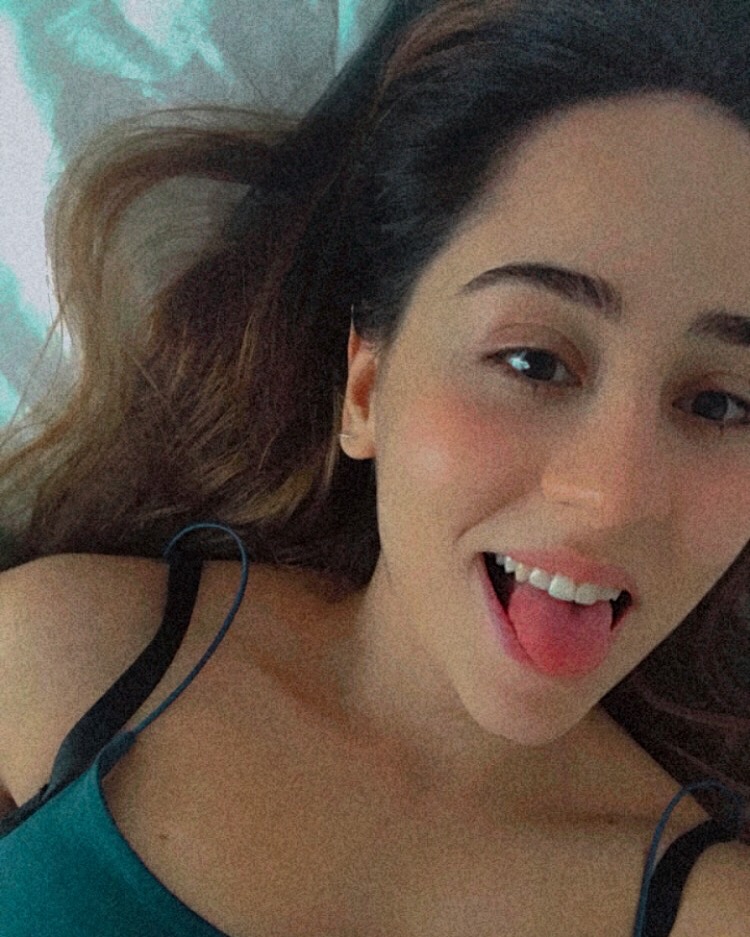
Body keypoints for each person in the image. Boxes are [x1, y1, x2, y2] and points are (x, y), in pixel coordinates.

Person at [0, 0, 748, 934]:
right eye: (533, 362)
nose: (612, 497)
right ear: (366, 386)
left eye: (721, 405)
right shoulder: (59, 653)